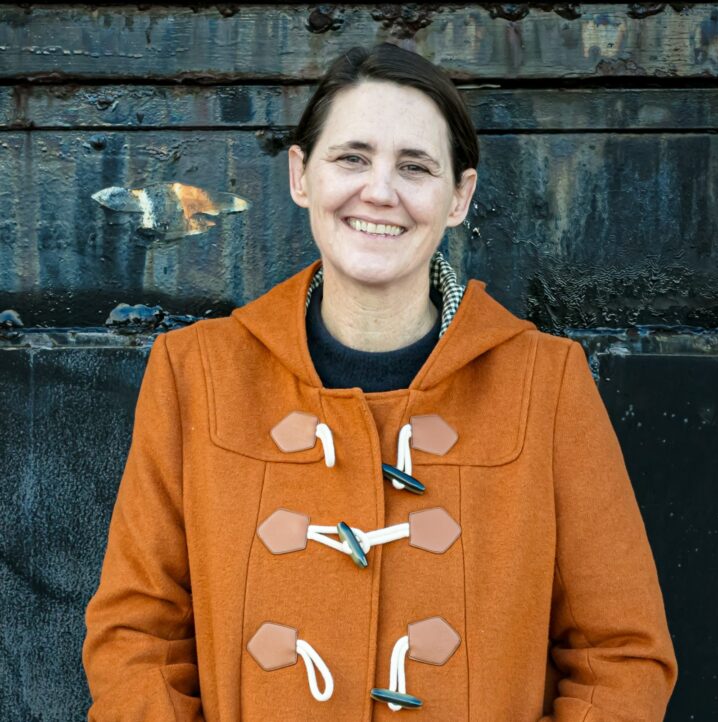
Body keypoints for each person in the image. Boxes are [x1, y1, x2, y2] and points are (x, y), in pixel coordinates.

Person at [82, 43, 678, 721]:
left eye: (416, 167)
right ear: (302, 175)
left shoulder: (547, 383)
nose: (380, 191)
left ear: (459, 196)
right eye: (352, 157)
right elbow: (137, 638)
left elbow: (621, 657)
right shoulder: (195, 375)